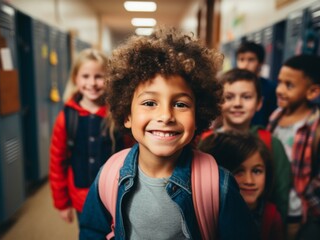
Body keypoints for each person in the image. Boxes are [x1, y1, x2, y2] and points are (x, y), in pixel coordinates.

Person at [79, 27, 258, 239]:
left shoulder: (219, 186)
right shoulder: (109, 175)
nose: (165, 116)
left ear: (198, 114)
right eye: (149, 102)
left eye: (181, 104)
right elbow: (93, 231)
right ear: (127, 115)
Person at [199, 68, 291, 223]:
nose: (237, 104)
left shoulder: (270, 142)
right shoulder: (207, 141)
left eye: (246, 97)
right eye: (228, 97)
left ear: (259, 103)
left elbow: (281, 193)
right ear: (218, 102)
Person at [267, 54, 320, 240]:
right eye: (279, 82)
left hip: (302, 213)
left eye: (289, 85)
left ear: (312, 92)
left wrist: (306, 206)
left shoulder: (318, 129)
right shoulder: (275, 117)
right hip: (276, 202)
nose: (280, 89)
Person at [49, 48, 125, 225]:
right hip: (81, 199)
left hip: (115, 196)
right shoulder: (66, 117)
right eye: (85, 76)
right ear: (75, 78)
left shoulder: (118, 114)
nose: (92, 83)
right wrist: (62, 204)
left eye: (99, 76)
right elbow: (57, 162)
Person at [199, 131, 284, 240]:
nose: (249, 180)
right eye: (239, 172)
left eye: (257, 171)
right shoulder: (208, 216)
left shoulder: (271, 216)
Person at [236, 41, 277, 126]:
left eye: (251, 60)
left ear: (260, 63)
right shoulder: (230, 87)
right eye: (241, 59)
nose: (245, 65)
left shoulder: (271, 89)